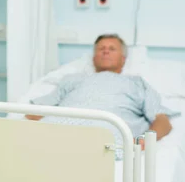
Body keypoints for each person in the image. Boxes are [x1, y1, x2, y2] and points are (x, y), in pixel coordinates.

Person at [25, 34, 176, 149]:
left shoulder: (137, 83)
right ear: (94, 57)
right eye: (101, 49)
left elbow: (162, 121)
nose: (105, 52)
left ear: (123, 59)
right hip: (59, 137)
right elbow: (34, 112)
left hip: (107, 139)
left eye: (112, 49)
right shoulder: (72, 79)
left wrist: (144, 140)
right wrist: (51, 125)